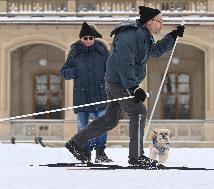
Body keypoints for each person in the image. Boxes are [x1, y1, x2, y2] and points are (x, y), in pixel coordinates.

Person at [65, 6, 185, 166]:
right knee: (139, 111)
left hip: (119, 81)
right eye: (160, 22)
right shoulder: (131, 34)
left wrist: (172, 36)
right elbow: (124, 62)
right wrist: (134, 87)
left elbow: (155, 52)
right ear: (150, 21)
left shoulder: (144, 35)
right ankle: (136, 157)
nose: (162, 25)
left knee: (110, 119)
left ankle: (76, 143)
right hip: (119, 81)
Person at [60, 22, 112, 163]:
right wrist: (75, 71)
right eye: (85, 38)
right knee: (83, 127)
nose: (88, 40)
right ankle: (85, 153)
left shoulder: (102, 51)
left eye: (90, 37)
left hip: (100, 95)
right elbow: (64, 72)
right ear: (81, 39)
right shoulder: (75, 52)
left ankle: (100, 153)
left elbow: (111, 69)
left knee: (101, 125)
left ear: (94, 38)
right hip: (82, 96)